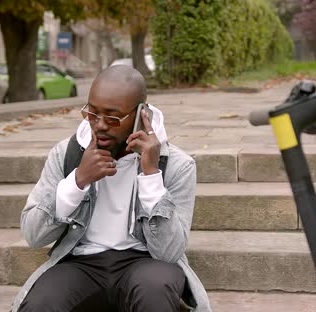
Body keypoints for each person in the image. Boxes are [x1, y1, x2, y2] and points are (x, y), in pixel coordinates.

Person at [11, 65, 211, 312]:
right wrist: (77, 181)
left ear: (140, 114)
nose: (100, 125)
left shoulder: (177, 165)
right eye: (92, 113)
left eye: (113, 117)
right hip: (80, 263)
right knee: (40, 304)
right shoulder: (66, 154)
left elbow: (169, 253)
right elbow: (33, 234)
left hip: (145, 262)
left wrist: (150, 176)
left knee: (154, 291)